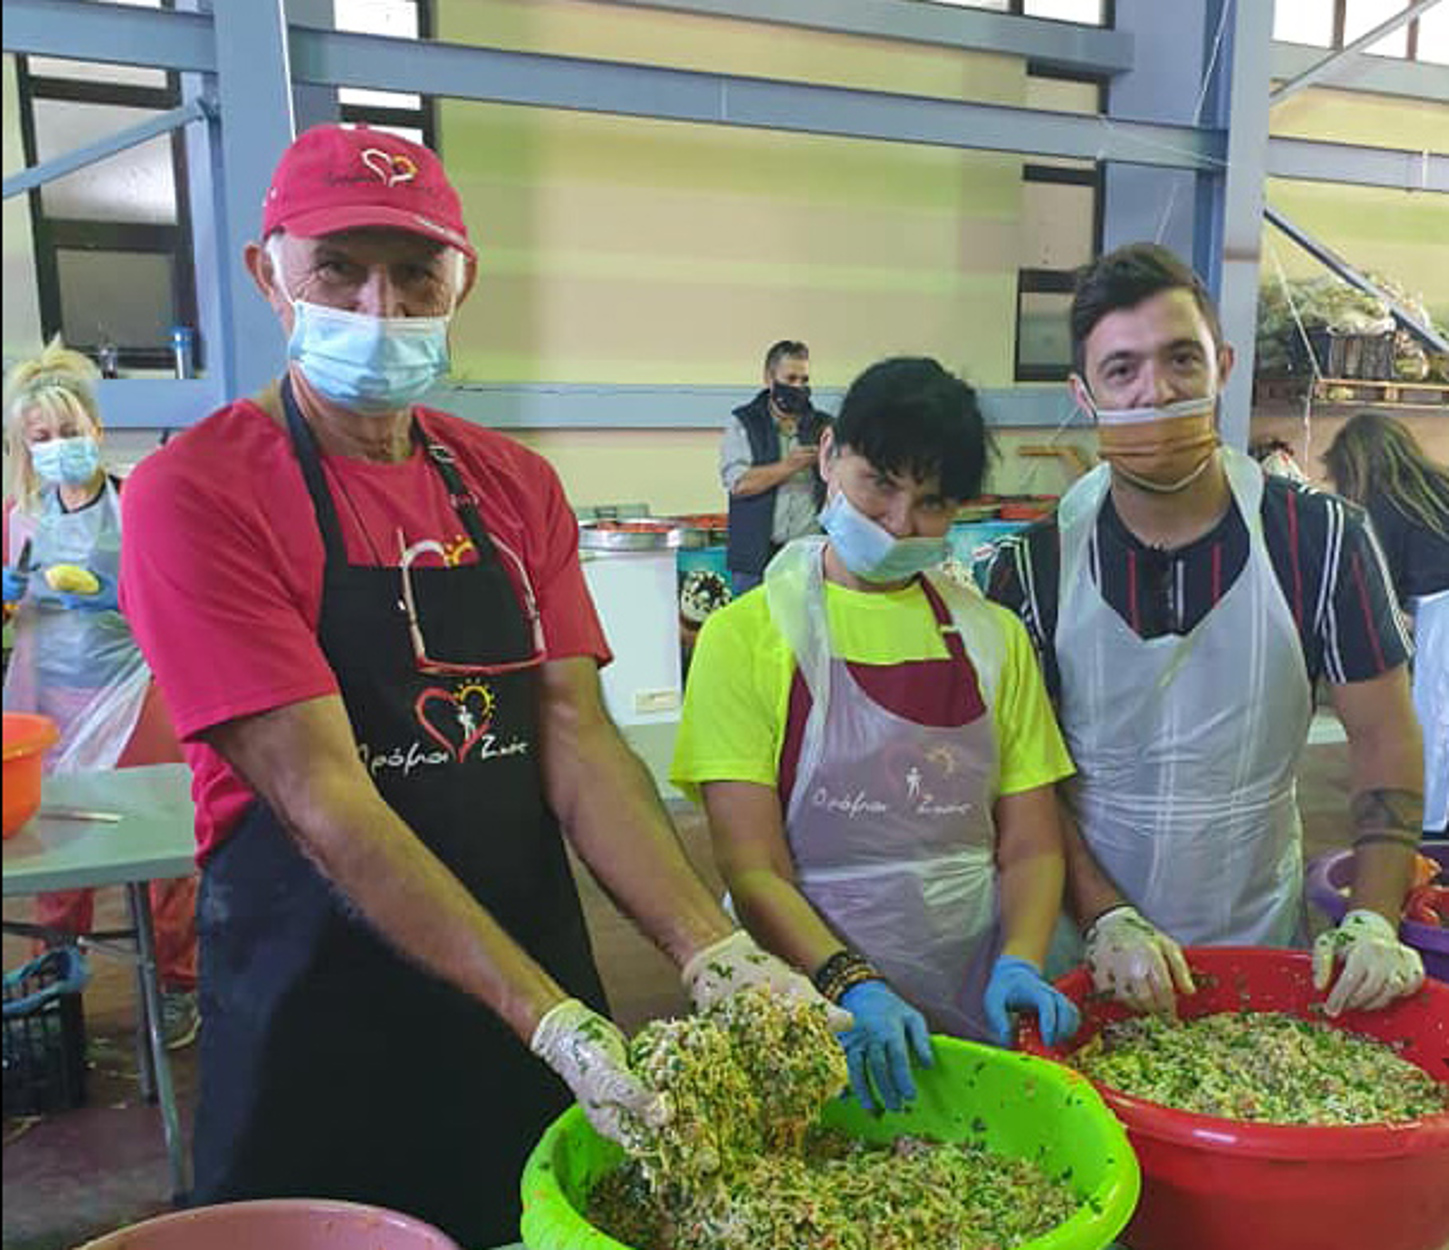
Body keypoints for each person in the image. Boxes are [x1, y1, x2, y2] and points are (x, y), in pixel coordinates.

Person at [118, 125, 846, 1247]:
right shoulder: (196, 491)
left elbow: (577, 736)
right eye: (339, 269)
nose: (379, 307)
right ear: (271, 274)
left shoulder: (511, 484)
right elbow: (323, 794)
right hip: (320, 996)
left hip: (524, 957)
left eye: (416, 275)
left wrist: (715, 948)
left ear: (462, 282)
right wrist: (549, 1017)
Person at [984, 242, 1426, 1020]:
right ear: (1083, 396)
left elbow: (1385, 739)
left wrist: (1374, 915)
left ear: (1221, 367)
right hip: (1085, 946)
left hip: (1256, 931)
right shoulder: (1033, 567)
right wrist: (1104, 918)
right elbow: (1024, 781)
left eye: (1180, 360)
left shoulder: (1320, 544)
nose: (1156, 393)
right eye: (1121, 371)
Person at [675, 356, 1080, 1114]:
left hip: (974, 982)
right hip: (809, 990)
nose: (899, 523)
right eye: (879, 485)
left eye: (931, 504)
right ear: (829, 456)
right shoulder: (748, 635)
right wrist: (849, 984)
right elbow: (751, 866)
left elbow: (1031, 845)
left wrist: (1020, 963)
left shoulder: (994, 641)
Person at [2, 338, 199, 1049]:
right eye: (42, 437)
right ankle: (54, 979)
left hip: (135, 691)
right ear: (26, 446)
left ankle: (177, 982)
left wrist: (123, 598)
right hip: (49, 701)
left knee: (160, 847)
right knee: (58, 852)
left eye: (70, 431)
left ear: (95, 427)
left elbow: (186, 595)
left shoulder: (139, 504)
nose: (60, 446)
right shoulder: (19, 519)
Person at [1324, 412, 1449, 836]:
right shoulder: (1437, 484)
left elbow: (1378, 588)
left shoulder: (1383, 503)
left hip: (1442, 611)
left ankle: (1429, 829)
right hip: (1436, 605)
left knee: (1434, 721)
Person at [721, 339, 831, 596]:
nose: (799, 387)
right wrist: (789, 466)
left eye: (804, 380)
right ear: (769, 379)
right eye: (790, 378)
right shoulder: (744, 423)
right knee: (751, 632)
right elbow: (739, 484)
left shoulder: (824, 426)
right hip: (755, 562)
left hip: (809, 558)